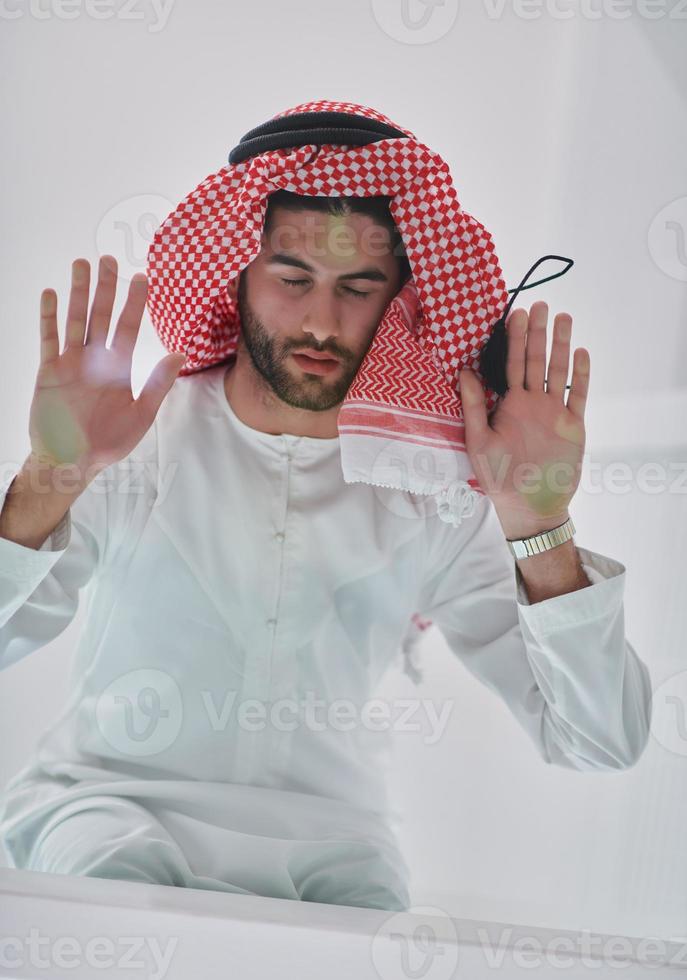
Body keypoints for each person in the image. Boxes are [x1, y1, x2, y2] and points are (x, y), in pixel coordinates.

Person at [0, 165, 652, 914]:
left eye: (357, 286)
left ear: (398, 302)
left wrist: (540, 528)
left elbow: (600, 740)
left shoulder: (435, 489)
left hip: (335, 849)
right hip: (108, 808)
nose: (320, 321)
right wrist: (52, 475)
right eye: (292, 276)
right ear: (234, 280)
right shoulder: (131, 443)